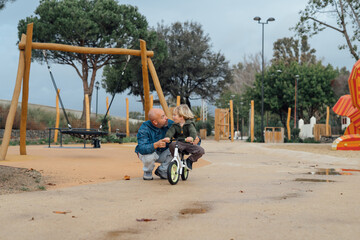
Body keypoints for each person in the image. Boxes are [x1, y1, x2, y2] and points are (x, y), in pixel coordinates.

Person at [135, 108, 173, 180]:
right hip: (148, 154)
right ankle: (147, 171)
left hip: (163, 152)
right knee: (149, 156)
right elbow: (142, 148)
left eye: (165, 115)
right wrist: (156, 145)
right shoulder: (144, 128)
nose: (166, 118)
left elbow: (185, 129)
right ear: (155, 122)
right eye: (163, 117)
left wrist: (196, 138)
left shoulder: (169, 123)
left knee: (176, 149)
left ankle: (162, 170)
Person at [164, 104, 205, 170]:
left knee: (201, 151)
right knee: (172, 144)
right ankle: (175, 158)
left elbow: (193, 132)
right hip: (179, 143)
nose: (173, 117)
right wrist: (168, 137)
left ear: (181, 117)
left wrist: (191, 137)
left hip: (188, 144)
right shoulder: (174, 125)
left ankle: (189, 160)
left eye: (175, 115)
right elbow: (170, 131)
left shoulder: (189, 124)